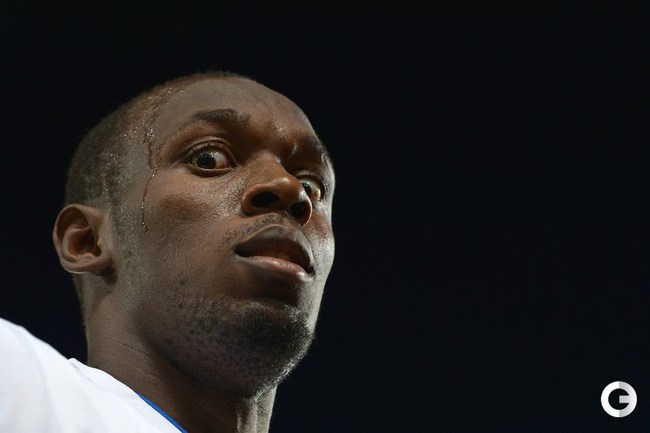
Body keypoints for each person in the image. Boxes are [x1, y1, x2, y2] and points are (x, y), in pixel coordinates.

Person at [0, 71, 336, 433]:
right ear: (88, 241)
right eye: (209, 159)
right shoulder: (25, 382)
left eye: (311, 185)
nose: (290, 188)